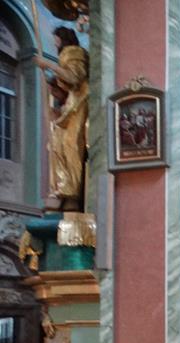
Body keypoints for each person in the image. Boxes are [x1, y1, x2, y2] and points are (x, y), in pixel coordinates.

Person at [34, 27, 88, 212]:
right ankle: (61, 191)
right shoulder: (65, 56)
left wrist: (48, 65)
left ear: (62, 38)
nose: (54, 42)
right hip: (71, 104)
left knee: (70, 143)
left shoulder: (74, 53)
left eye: (55, 38)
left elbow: (74, 78)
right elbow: (64, 85)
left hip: (81, 101)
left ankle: (73, 195)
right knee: (56, 143)